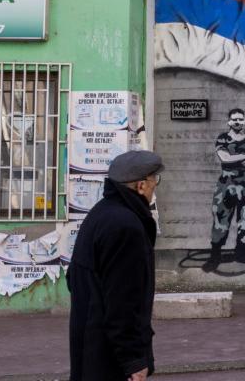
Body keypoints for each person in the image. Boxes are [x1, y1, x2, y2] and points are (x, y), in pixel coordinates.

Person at [69, 150, 163, 381]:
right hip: (111, 356)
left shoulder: (100, 214)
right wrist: (134, 360)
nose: (155, 187)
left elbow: (73, 278)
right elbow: (124, 301)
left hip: (89, 342)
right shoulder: (126, 227)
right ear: (141, 186)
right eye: (154, 180)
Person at [203, 108, 245, 271]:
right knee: (221, 220)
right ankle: (215, 256)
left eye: (240, 119)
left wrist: (235, 159)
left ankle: (242, 253)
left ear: (243, 121)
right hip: (226, 185)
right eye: (234, 119)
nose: (237, 122)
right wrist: (243, 156)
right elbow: (225, 159)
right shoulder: (223, 138)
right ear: (229, 121)